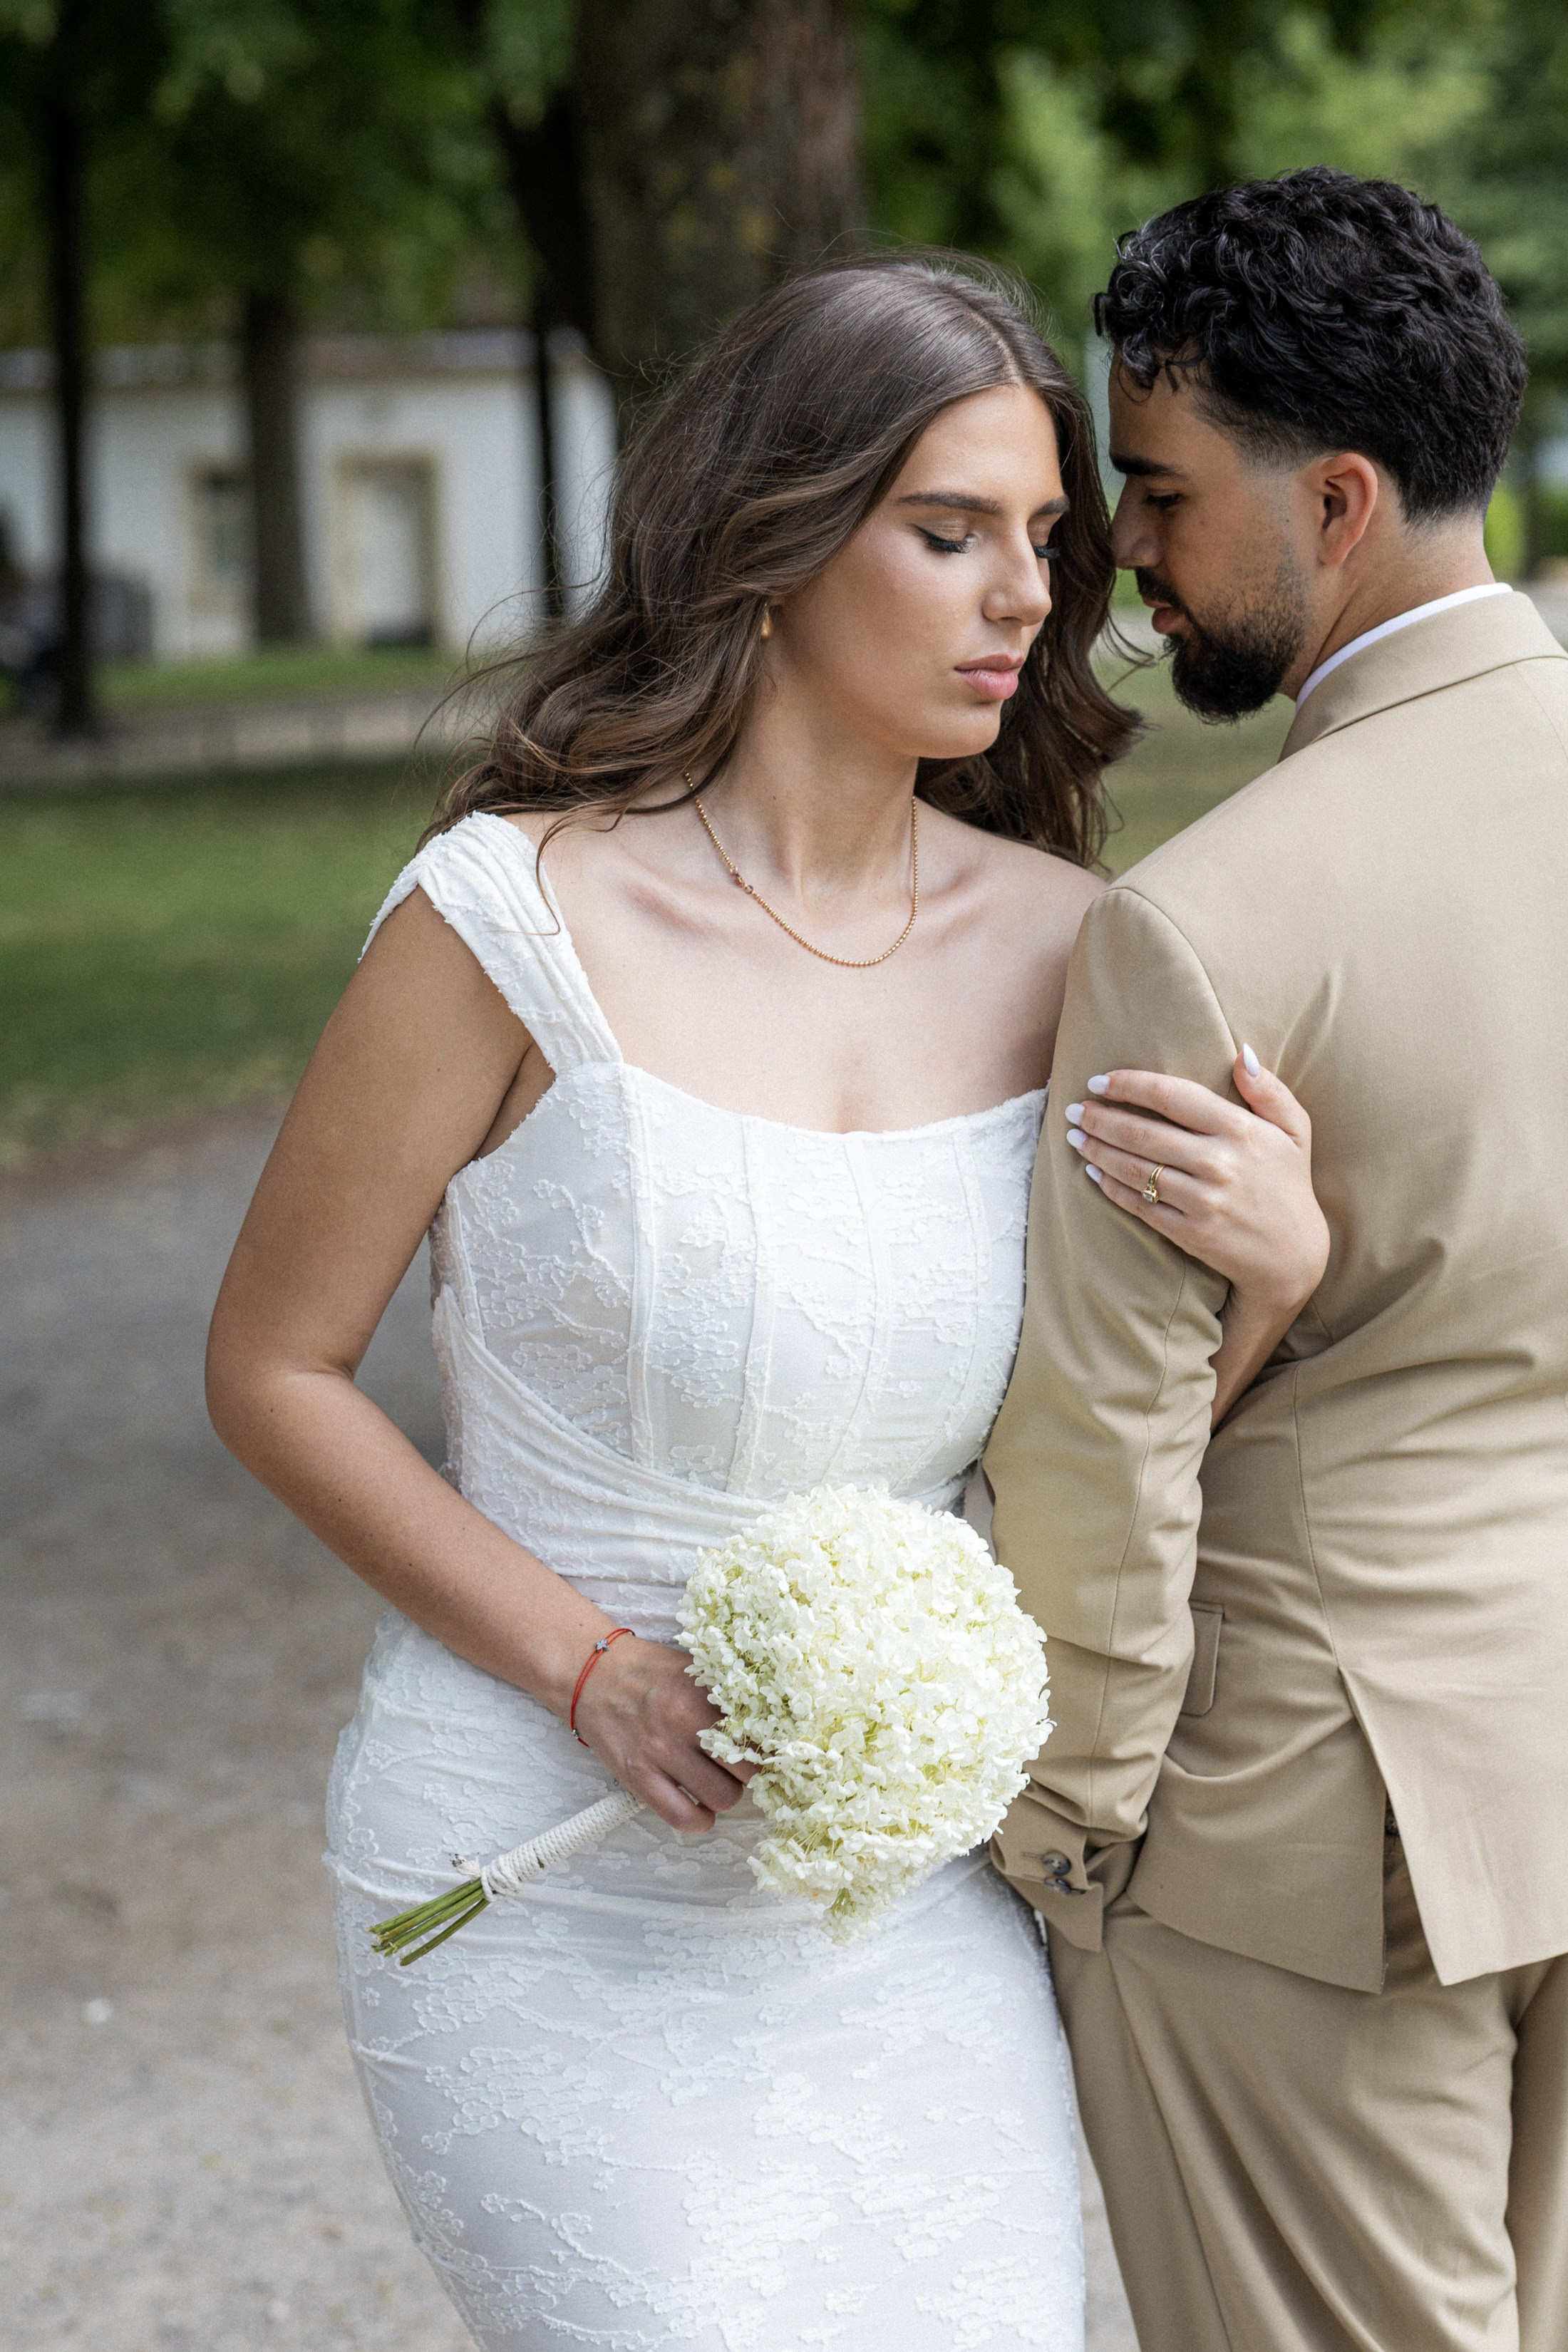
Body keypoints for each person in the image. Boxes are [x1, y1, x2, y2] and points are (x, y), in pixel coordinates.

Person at [206, 254, 1326, 2348]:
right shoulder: (510, 916)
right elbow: (272, 1366)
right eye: (949, 531)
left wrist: (1269, 1273)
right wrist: (592, 1667)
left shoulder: (1085, 951)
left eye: (1049, 539)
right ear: (778, 534)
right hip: (532, 1853)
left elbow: (1098, 1439)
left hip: (898, 1900)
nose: (1029, 596)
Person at [985, 168, 1568, 2352]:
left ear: (1334, 500)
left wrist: (1063, 1844)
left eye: (1153, 491)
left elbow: (1104, 1454)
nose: (1120, 553)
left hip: (1296, 1834)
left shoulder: (1204, 924)